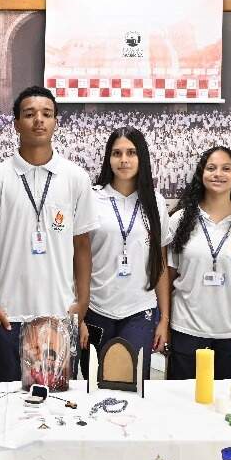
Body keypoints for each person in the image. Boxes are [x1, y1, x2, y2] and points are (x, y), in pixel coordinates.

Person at [0, 86, 98, 382]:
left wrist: (82, 302)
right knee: (7, 398)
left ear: (56, 121)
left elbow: (82, 245)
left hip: (59, 312)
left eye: (47, 114)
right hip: (9, 312)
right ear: (16, 123)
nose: (39, 120)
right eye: (29, 114)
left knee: (57, 400)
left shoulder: (76, 178)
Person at [165, 146, 231, 379]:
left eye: (226, 169)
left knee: (230, 401)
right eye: (211, 168)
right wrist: (164, 323)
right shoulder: (179, 220)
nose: (218, 174)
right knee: (185, 399)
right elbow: (166, 279)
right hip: (186, 331)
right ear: (201, 174)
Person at [84, 128, 172, 377]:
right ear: (108, 158)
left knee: (133, 383)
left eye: (131, 153)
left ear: (141, 157)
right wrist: (78, 315)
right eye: (117, 153)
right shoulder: (92, 199)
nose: (124, 160)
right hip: (96, 308)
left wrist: (164, 319)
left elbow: (160, 263)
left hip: (139, 310)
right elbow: (77, 259)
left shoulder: (155, 202)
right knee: (94, 382)